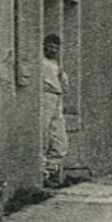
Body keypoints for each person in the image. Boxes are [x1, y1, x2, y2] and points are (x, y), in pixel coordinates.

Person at [41, 34, 69, 189]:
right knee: (43, 137)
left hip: (57, 98)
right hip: (45, 97)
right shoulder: (40, 61)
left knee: (60, 141)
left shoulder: (55, 64)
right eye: (49, 46)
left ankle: (50, 171)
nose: (52, 50)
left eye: (55, 48)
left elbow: (63, 82)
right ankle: (42, 175)